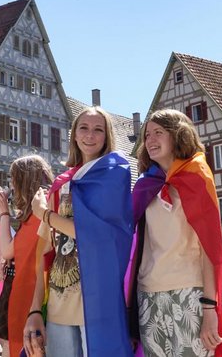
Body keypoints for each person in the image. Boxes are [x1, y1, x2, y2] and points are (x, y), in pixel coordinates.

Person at [24, 108, 135, 357]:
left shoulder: (115, 173)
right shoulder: (62, 183)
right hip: (58, 303)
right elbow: (44, 254)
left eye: (98, 129)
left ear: (107, 136)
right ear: (74, 135)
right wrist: (34, 310)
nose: (90, 135)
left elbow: (96, 234)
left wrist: (44, 214)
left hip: (97, 301)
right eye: (83, 128)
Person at [129, 109, 222, 357]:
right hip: (148, 294)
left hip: (190, 292)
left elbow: (210, 247)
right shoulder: (144, 185)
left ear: (178, 135)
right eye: (147, 134)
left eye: (159, 133)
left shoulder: (197, 176)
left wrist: (209, 308)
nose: (150, 139)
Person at [0, 154, 53, 357]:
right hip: (34, 294)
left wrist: (3, 213)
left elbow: (8, 251)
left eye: (13, 178)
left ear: (24, 180)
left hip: (29, 295)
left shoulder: (39, 210)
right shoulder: (39, 209)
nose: (11, 185)